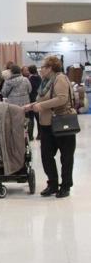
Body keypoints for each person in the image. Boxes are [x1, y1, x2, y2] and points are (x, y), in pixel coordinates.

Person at [23, 55, 76, 198]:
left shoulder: (60, 79)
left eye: (43, 67)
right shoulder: (46, 82)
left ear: (50, 68)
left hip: (62, 121)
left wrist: (40, 106)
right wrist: (33, 105)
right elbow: (44, 98)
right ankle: (52, 184)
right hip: (47, 124)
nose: (41, 70)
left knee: (66, 157)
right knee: (46, 156)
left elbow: (61, 99)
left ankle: (65, 186)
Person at [27, 65, 42, 140]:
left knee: (31, 118)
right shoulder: (39, 78)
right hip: (38, 99)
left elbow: (29, 90)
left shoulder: (30, 79)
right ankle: (40, 134)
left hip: (31, 99)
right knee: (38, 118)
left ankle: (30, 136)